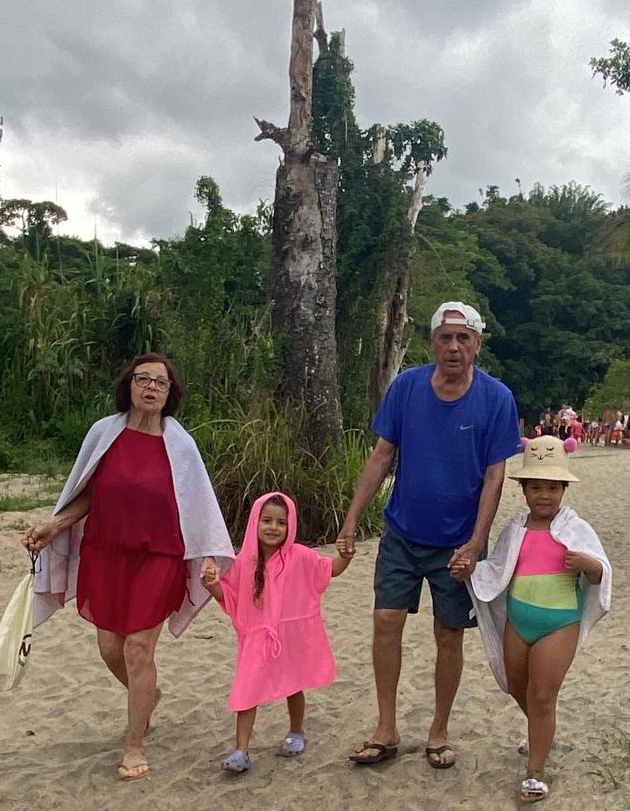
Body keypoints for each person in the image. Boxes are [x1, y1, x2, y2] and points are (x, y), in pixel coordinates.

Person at [21, 353, 234, 781]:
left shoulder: (181, 446)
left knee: (138, 648)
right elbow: (87, 491)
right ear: (129, 385)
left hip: (160, 557)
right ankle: (148, 694)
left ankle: (134, 743)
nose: (151, 387)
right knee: (109, 649)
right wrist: (55, 524)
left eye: (161, 382)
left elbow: (198, 505)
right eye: (143, 379)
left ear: (170, 394)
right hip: (106, 554)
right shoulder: (104, 433)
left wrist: (208, 553)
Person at [338, 301, 521, 770]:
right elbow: (382, 456)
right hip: (402, 531)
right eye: (445, 337)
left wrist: (476, 543)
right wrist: (352, 518)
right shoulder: (406, 387)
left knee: (449, 632)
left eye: (464, 338)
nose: (454, 347)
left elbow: (495, 477)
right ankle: (386, 728)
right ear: (432, 342)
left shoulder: (497, 398)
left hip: (458, 540)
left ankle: (438, 731)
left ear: (477, 344)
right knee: (386, 620)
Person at [461, 436, 612, 802]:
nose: (544, 496)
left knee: (542, 696)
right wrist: (468, 570)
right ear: (524, 490)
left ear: (563, 490)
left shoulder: (575, 528)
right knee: (516, 685)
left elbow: (600, 575)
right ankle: (542, 733)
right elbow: (497, 569)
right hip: (518, 622)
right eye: (536, 487)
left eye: (552, 488)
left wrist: (588, 564)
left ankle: (536, 771)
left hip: (558, 624)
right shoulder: (516, 529)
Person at [201, 491, 354, 774]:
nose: (273, 527)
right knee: (247, 690)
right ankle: (241, 750)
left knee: (293, 685)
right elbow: (230, 595)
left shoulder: (300, 556)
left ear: (290, 525)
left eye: (281, 522)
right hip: (255, 637)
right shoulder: (243, 561)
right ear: (255, 522)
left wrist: (345, 556)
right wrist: (212, 585)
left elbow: (330, 569)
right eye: (267, 520)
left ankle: (296, 731)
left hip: (289, 636)